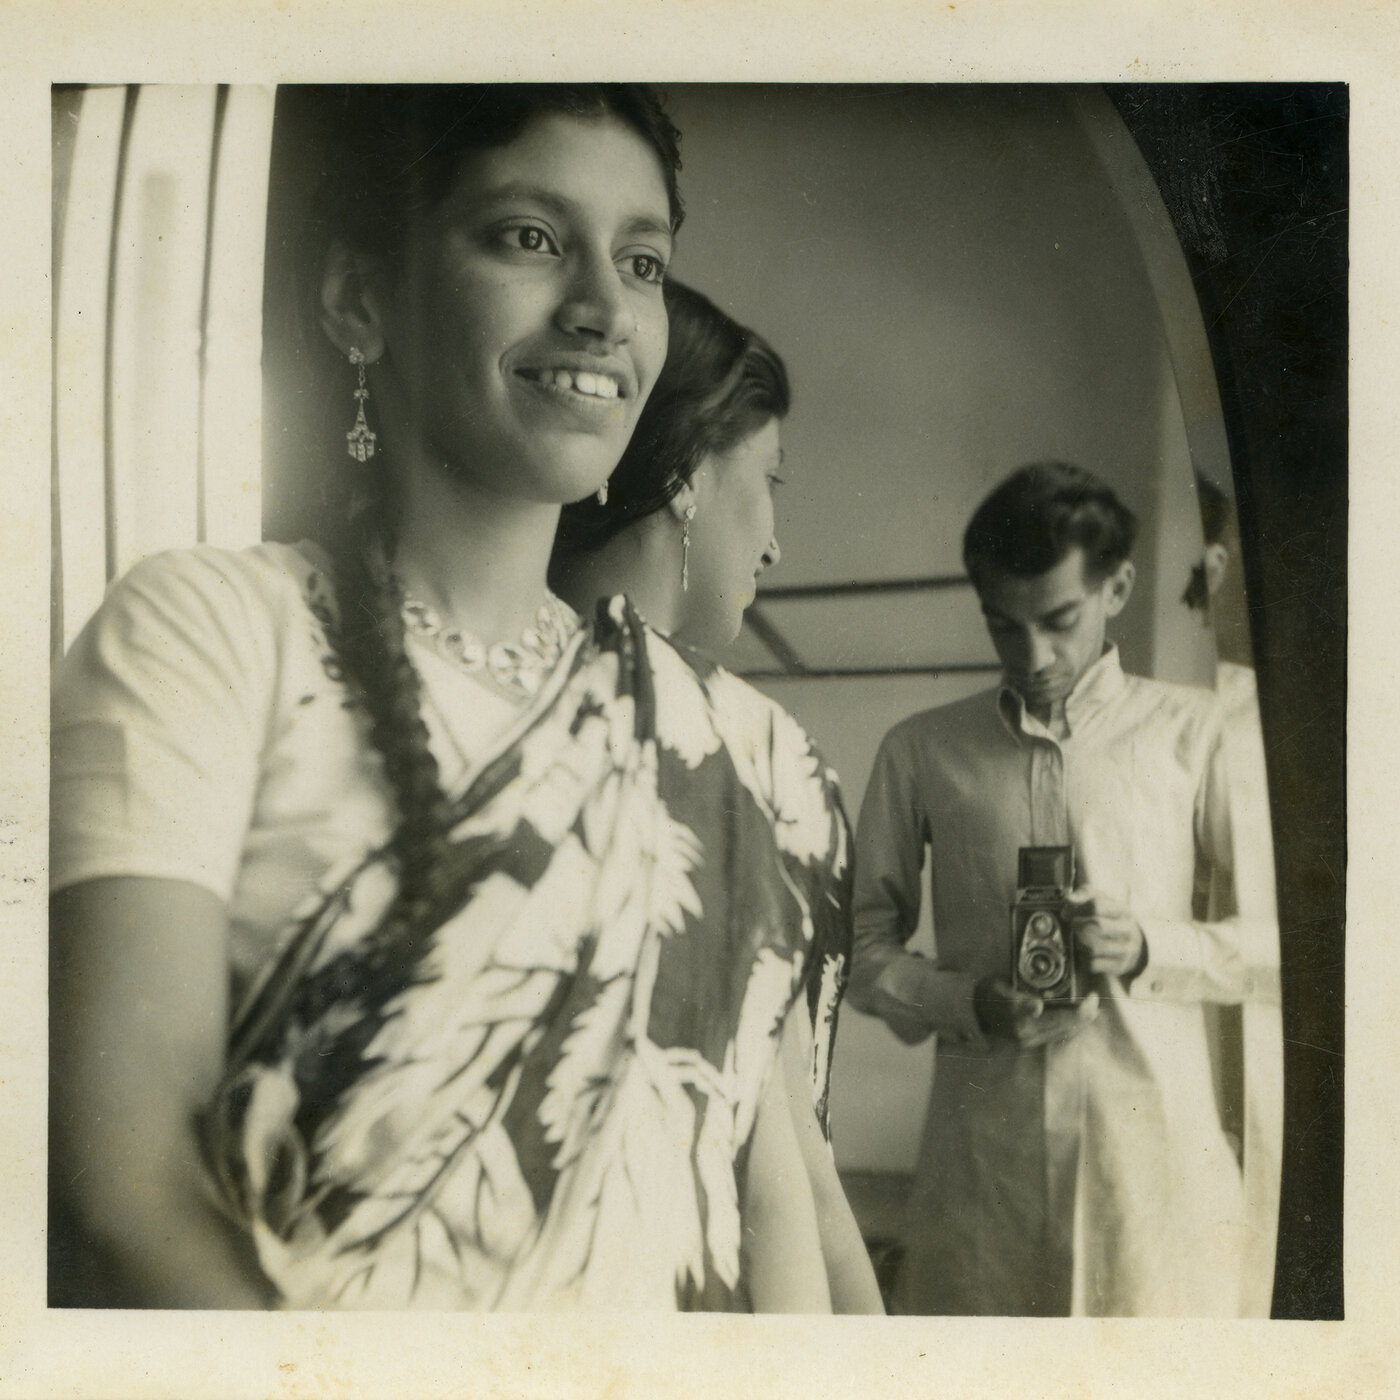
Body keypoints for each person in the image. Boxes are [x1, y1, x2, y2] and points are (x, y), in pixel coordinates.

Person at [50, 85, 852, 1312]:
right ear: (357, 299)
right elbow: (124, 1181)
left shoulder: (713, 737)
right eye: (529, 237)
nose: (599, 307)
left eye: (639, 260)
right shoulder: (211, 631)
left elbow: (768, 1198)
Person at [850, 461, 1256, 1317]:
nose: (1032, 657)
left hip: (1149, 1177)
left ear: (1119, 589)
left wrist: (1151, 946)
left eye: (1058, 621)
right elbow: (858, 950)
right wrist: (963, 1000)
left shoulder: (1197, 732)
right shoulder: (921, 750)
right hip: (980, 1178)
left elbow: (1298, 940)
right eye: (1003, 626)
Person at [552, 279, 884, 1313]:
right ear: (689, 473)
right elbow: (791, 1138)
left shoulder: (487, 672)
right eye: (768, 479)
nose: (775, 540)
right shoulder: (763, 752)